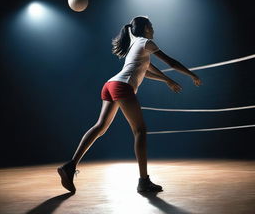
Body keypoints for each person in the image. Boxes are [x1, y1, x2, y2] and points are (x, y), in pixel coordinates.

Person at [57, 16, 202, 193]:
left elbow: (146, 70)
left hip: (110, 84)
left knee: (100, 126)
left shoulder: (136, 44)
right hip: (122, 86)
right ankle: (143, 181)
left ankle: (70, 166)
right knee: (140, 131)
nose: (154, 29)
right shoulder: (146, 42)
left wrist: (167, 80)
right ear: (146, 29)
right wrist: (191, 74)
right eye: (151, 26)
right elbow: (171, 62)